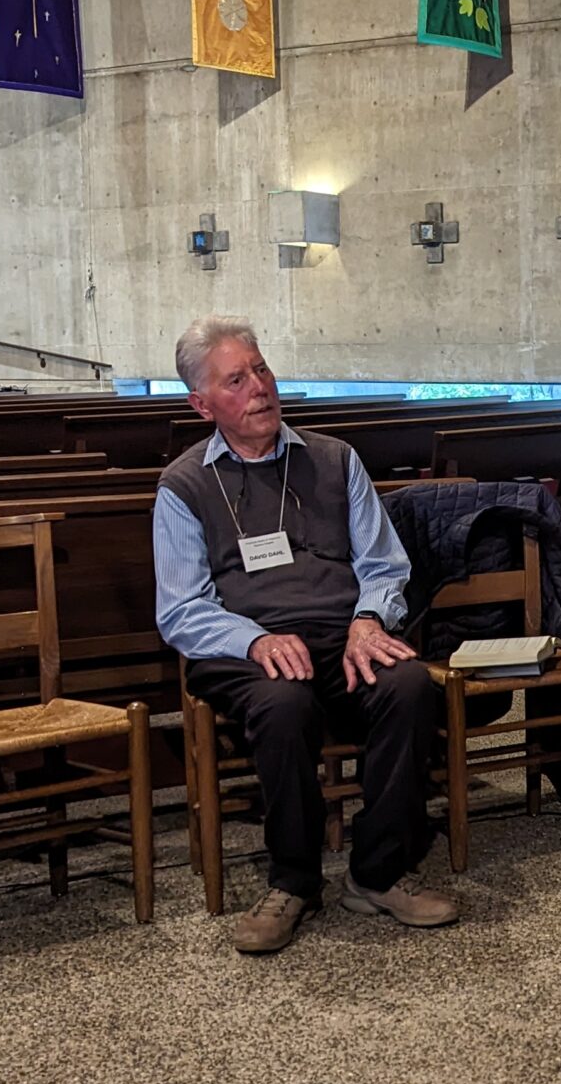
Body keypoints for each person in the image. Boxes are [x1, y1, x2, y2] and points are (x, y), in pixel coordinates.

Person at [153, 316, 457, 953]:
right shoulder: (183, 486)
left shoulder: (333, 459)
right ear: (201, 404)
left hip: (339, 634)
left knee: (408, 685)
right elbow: (181, 610)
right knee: (283, 704)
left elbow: (383, 565)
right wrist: (254, 640)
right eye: (237, 379)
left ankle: (376, 873)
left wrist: (367, 620)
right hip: (240, 647)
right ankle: (293, 879)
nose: (260, 387)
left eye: (261, 369)